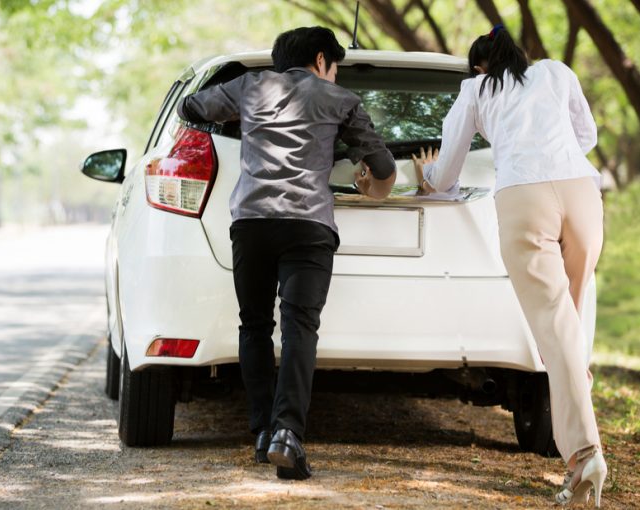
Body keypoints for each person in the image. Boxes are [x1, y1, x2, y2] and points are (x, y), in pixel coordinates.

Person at [177, 26, 396, 480]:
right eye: (334, 67)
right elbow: (384, 167)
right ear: (321, 60)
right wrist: (372, 189)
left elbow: (190, 108)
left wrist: (243, 122)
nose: (333, 75)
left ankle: (261, 433)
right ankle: (288, 435)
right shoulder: (340, 100)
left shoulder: (250, 86)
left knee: (254, 325)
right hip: (309, 226)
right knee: (299, 328)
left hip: (252, 224)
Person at [413, 24, 607, 507]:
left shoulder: (476, 89)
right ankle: (578, 457)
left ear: (480, 65)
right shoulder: (556, 73)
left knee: (556, 332)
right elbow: (587, 134)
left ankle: (586, 455)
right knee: (571, 330)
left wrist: (427, 175)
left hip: (525, 198)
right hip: (582, 192)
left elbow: (448, 171)